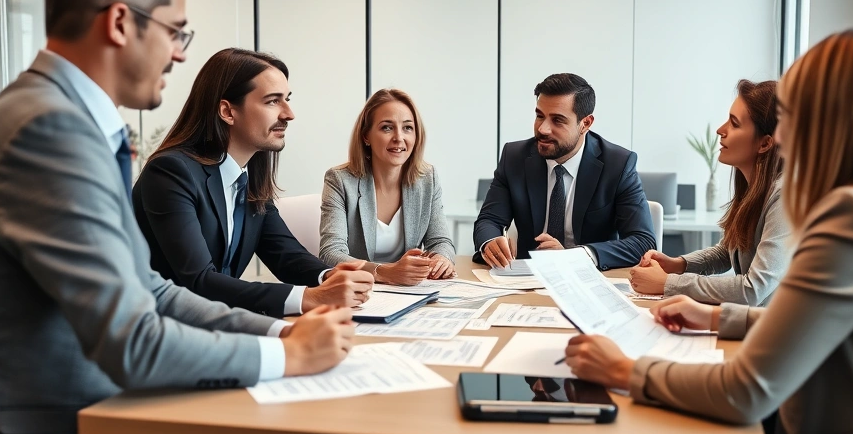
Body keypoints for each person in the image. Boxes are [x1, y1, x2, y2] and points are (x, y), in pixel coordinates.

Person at [0, 0, 352, 434]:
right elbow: (134, 342)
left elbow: (150, 288)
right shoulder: (48, 132)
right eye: (175, 32)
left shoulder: (67, 119)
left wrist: (278, 333)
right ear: (120, 23)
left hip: (98, 418)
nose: (180, 55)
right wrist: (291, 358)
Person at [565, 29, 853, 434]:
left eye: (793, 114)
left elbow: (746, 392)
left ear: (830, 123)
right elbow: (829, 327)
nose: (780, 133)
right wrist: (718, 319)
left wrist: (623, 368)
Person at [133, 48, 373, 317]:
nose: (289, 114)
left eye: (287, 100)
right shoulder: (170, 172)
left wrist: (328, 276)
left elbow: (284, 255)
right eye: (273, 101)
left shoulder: (246, 177)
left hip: (217, 325)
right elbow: (198, 281)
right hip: (162, 332)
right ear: (227, 111)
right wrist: (309, 297)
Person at [629, 79, 791, 305]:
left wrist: (668, 284)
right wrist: (678, 264)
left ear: (765, 144)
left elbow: (753, 290)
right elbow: (728, 252)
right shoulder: (754, 189)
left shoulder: (786, 198)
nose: (720, 130)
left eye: (734, 124)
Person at [473, 73, 657, 271]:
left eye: (558, 120)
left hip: (591, 280)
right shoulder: (515, 157)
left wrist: (574, 257)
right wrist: (490, 241)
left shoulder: (617, 164)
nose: (543, 129)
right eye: (539, 116)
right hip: (528, 278)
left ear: (585, 123)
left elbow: (642, 242)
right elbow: (489, 220)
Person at [319, 88, 456, 286]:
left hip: (409, 293)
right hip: (358, 290)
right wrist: (384, 272)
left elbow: (441, 241)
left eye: (408, 128)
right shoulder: (340, 180)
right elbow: (330, 253)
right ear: (366, 136)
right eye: (387, 128)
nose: (399, 137)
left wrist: (441, 260)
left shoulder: (428, 179)